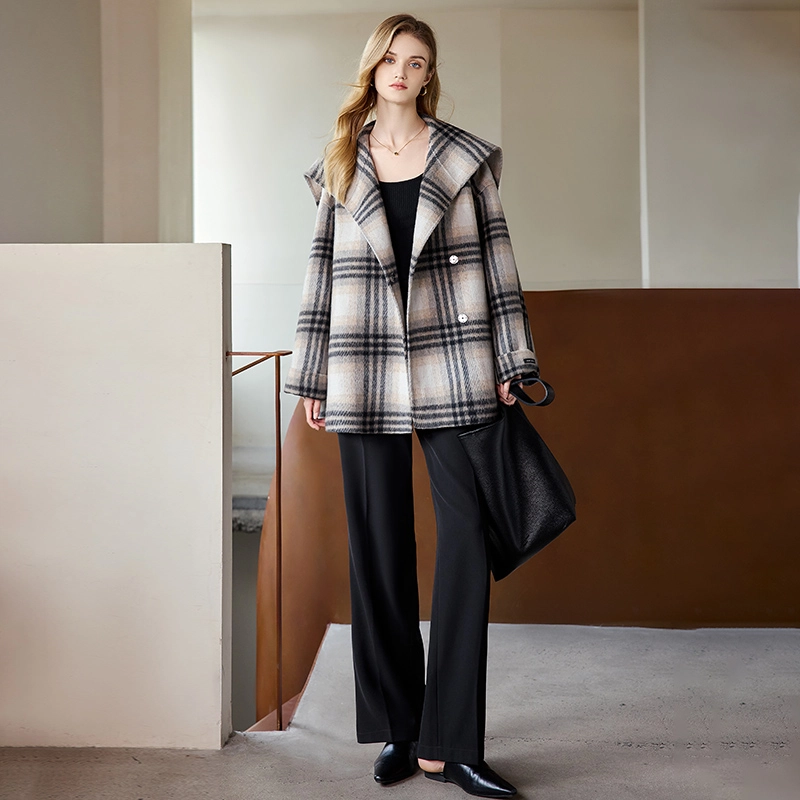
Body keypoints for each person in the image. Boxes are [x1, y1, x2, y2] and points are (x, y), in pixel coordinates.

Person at [284, 14, 538, 799]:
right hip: (363, 366)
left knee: (466, 538)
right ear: (373, 67)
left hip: (453, 361)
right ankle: (401, 726)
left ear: (430, 75)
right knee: (378, 546)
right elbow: (319, 273)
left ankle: (450, 743)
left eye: (417, 61)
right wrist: (312, 375)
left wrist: (514, 358)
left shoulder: (463, 160)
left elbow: (499, 261)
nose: (401, 70)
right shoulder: (342, 162)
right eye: (390, 57)